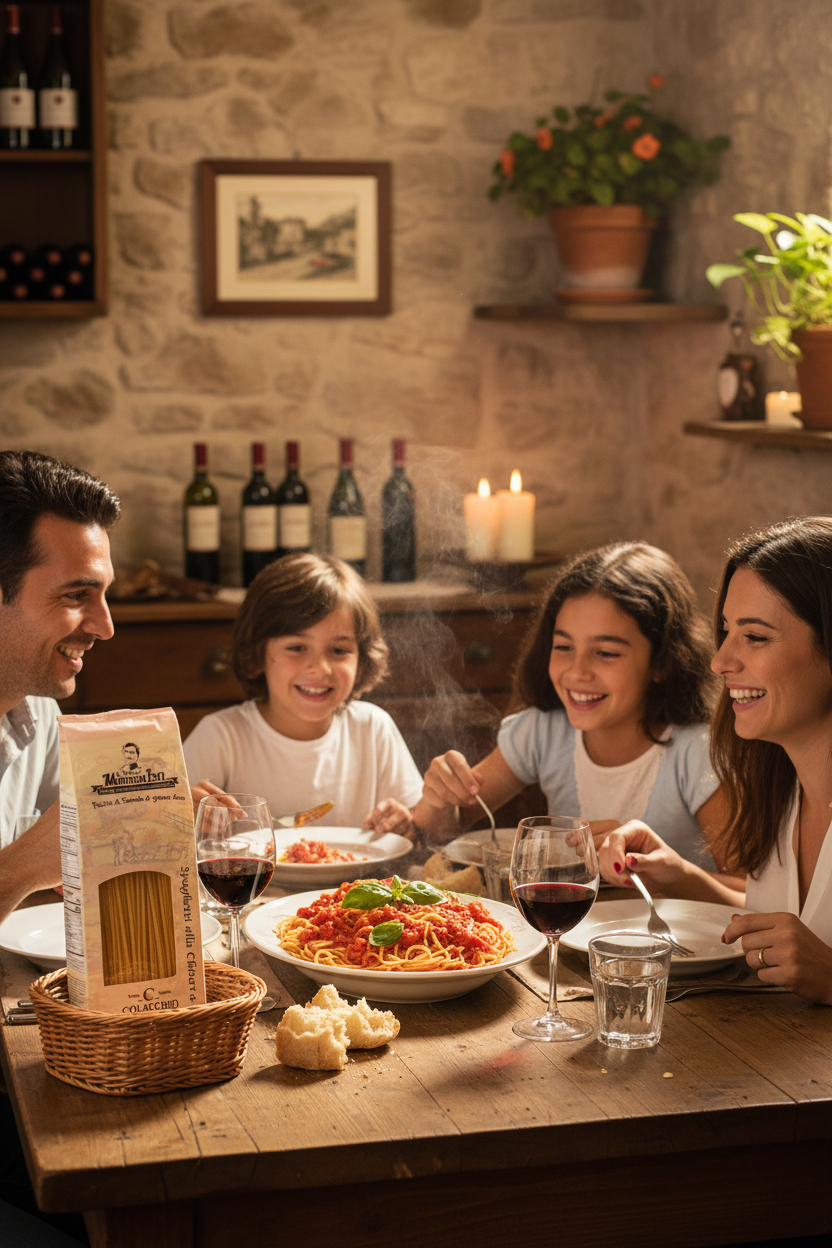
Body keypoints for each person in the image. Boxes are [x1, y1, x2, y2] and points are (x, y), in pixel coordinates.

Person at [596, 518, 832, 1005]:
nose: (720, 660)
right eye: (726, 632)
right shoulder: (778, 785)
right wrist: (683, 877)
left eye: (756, 637)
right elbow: (788, 927)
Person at [413, 541, 728, 869]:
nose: (577, 672)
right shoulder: (544, 730)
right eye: (563, 646)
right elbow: (437, 829)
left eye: (605, 653)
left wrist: (667, 874)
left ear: (663, 663)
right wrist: (439, 798)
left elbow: (749, 894)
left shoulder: (699, 754)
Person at [184, 553, 423, 835]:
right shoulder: (221, 736)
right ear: (257, 654)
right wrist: (185, 814)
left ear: (363, 658)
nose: (320, 669)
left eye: (339, 650)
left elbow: (414, 822)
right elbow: (165, 828)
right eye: (297, 648)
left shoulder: (373, 730)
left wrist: (404, 821)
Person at [0, 450, 119, 925]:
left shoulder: (39, 713)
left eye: (104, 593)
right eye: (75, 595)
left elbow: (63, 872)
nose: (106, 627)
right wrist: (24, 865)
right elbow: (38, 858)